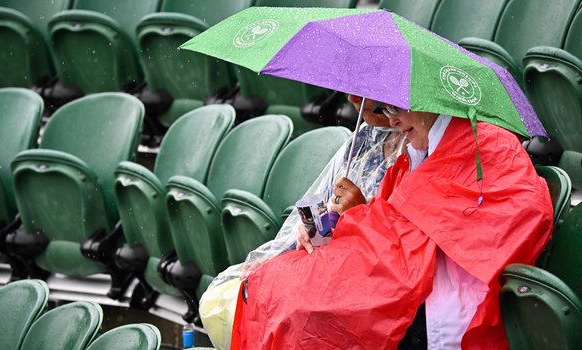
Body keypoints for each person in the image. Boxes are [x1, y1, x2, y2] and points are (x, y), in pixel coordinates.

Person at [231, 105, 553, 349]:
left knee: (303, 310)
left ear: (427, 102)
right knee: (269, 283)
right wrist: (340, 221)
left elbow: (518, 212)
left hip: (438, 296)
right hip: (400, 278)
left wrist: (371, 221)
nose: (392, 122)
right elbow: (390, 222)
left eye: (396, 109)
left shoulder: (490, 147)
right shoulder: (415, 154)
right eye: (385, 111)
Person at [198, 95, 404, 349]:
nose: (352, 98)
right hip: (323, 265)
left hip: (362, 285)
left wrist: (361, 214)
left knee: (287, 318)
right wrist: (309, 228)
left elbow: (401, 250)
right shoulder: (363, 138)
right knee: (229, 298)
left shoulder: (418, 150)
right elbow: (315, 205)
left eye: (364, 92)